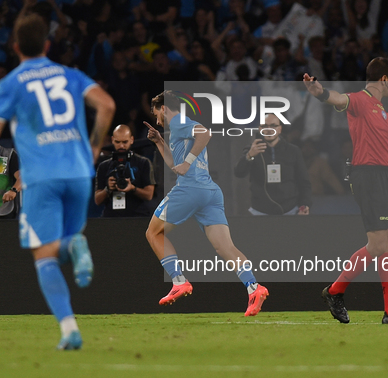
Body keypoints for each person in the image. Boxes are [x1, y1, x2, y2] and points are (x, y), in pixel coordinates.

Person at [0, 14, 114, 350]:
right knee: (62, 242)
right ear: (48, 45)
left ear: (15, 47)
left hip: (42, 177)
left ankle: (69, 329)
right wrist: (94, 148)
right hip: (81, 173)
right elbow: (107, 105)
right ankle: (74, 245)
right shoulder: (69, 74)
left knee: (45, 254)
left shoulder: (10, 84)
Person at [303, 57, 388, 324]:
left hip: (386, 176)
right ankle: (334, 291)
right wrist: (319, 92)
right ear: (384, 79)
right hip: (368, 177)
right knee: (378, 244)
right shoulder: (360, 100)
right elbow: (338, 99)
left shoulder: (382, 109)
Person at [145, 90, 268, 316]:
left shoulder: (180, 121)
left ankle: (179, 281)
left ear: (164, 108)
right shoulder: (178, 130)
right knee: (225, 247)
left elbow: (205, 133)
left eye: (156, 114)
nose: (157, 120)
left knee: (153, 233)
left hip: (190, 189)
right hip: (210, 192)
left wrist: (188, 163)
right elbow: (175, 163)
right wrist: (160, 142)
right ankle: (254, 287)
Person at [234, 114, 312, 215]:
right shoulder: (252, 149)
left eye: (273, 126)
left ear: (279, 129)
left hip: (290, 210)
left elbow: (304, 182)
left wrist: (304, 205)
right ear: (260, 129)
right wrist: (249, 156)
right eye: (265, 126)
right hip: (260, 211)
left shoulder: (293, 151)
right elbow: (238, 173)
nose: (269, 129)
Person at [94, 125, 155, 217]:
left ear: (131, 139)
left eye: (125, 142)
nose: (121, 146)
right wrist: (108, 189)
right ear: (112, 140)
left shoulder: (143, 163)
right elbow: (97, 200)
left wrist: (132, 188)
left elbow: (149, 195)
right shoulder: (104, 166)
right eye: (117, 142)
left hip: (138, 216)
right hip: (111, 218)